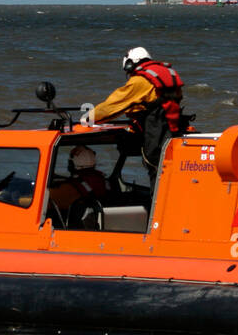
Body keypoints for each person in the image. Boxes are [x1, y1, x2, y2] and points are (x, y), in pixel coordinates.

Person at [81, 47, 185, 180]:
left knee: (155, 167)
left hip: (156, 131)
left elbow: (114, 105)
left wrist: (88, 118)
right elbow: (155, 101)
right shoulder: (167, 74)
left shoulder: (141, 81)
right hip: (173, 127)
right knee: (164, 169)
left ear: (130, 63)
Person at [46, 145, 106, 230]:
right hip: (95, 224)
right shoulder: (101, 180)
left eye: (70, 162)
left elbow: (41, 201)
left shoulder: (69, 189)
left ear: (72, 164)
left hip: (75, 227)